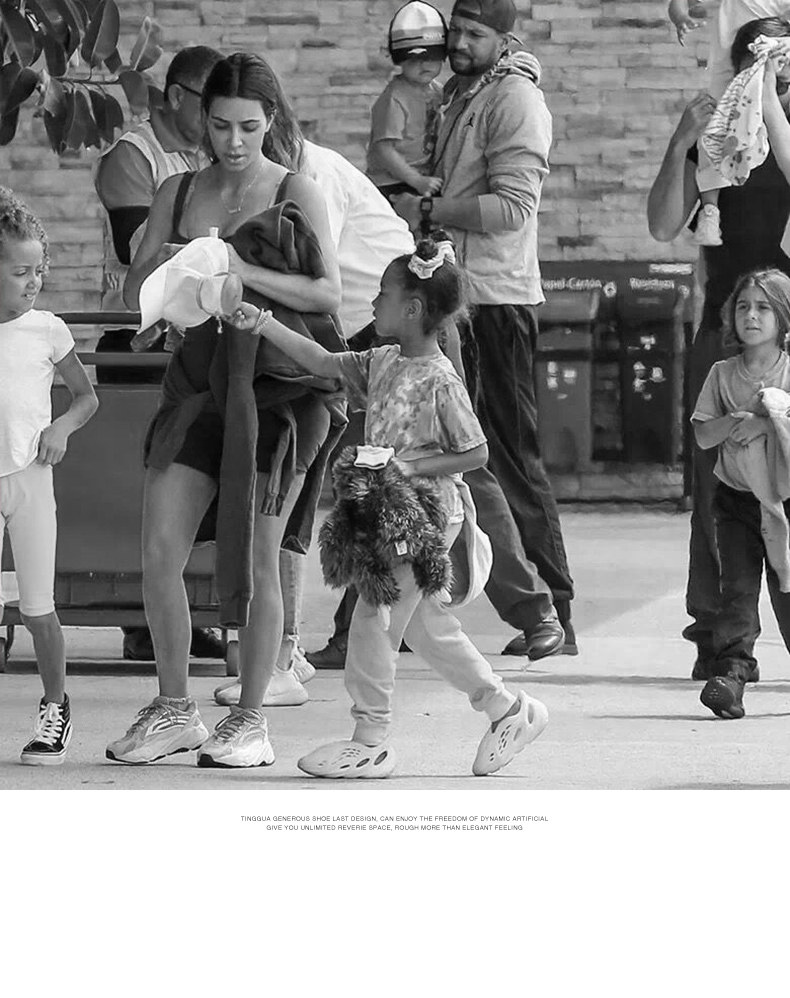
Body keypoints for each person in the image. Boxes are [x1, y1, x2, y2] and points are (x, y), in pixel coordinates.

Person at [232, 235, 550, 777]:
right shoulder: (381, 361)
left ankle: (371, 738)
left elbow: (476, 452)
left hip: (423, 519)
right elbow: (323, 361)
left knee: (373, 617)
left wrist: (410, 467)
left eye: (383, 294)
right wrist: (262, 322)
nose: (375, 302)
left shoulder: (441, 380)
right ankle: (507, 709)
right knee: (424, 627)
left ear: (413, 309)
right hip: (387, 513)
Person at [105, 52, 342, 768]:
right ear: (201, 120)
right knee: (159, 550)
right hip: (198, 383)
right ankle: (174, 707)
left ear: (271, 121)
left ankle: (250, 719)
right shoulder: (177, 189)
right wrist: (179, 263)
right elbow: (134, 294)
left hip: (281, 392)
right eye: (219, 125)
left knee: (259, 556)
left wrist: (240, 270)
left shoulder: (297, 189)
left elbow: (328, 294)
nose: (233, 141)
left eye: (248, 126)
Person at [392, 0, 576, 658]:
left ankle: (556, 612)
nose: (461, 43)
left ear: (505, 38)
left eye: (476, 34)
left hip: (495, 300)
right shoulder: (459, 93)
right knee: (433, 450)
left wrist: (430, 207)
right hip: (453, 296)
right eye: (458, 31)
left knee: (507, 458)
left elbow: (514, 207)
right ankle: (400, 616)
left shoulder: (516, 99)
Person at [648, 16, 790, 681]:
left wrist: (769, 104)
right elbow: (661, 224)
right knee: (716, 489)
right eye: (754, 65)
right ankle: (718, 634)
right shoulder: (716, 141)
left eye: (777, 65)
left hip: (786, 332)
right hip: (724, 330)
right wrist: (682, 140)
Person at [94, 44, 227, 664]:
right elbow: (135, 250)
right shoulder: (133, 155)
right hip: (134, 341)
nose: (221, 121)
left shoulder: (205, 159)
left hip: (193, 342)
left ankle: (185, 613)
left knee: (195, 482)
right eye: (210, 104)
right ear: (177, 97)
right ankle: (139, 621)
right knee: (144, 484)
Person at [0, 187, 99, 764]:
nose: (33, 282)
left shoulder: (48, 329)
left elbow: (87, 398)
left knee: (38, 606)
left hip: (31, 478)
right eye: (20, 272)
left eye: (39, 270)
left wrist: (60, 428)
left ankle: (55, 708)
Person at [691, 268, 790, 719]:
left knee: (786, 588)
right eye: (744, 307)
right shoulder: (722, 374)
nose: (751, 316)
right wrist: (737, 419)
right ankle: (731, 675)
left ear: (783, 317)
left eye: (764, 307)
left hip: (783, 503)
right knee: (737, 591)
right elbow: (703, 436)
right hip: (735, 501)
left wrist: (766, 423)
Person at [667, 1, 790, 245]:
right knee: (715, 127)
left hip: (769, 45)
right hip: (729, 60)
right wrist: (680, 18)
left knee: (758, 110)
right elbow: (679, 2)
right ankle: (710, 210)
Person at [366, 0, 446, 199]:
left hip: (423, 176)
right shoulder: (394, 99)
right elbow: (384, 150)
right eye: (414, 58)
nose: (424, 65)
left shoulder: (438, 91)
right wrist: (416, 180)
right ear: (400, 60)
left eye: (432, 57)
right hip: (391, 182)